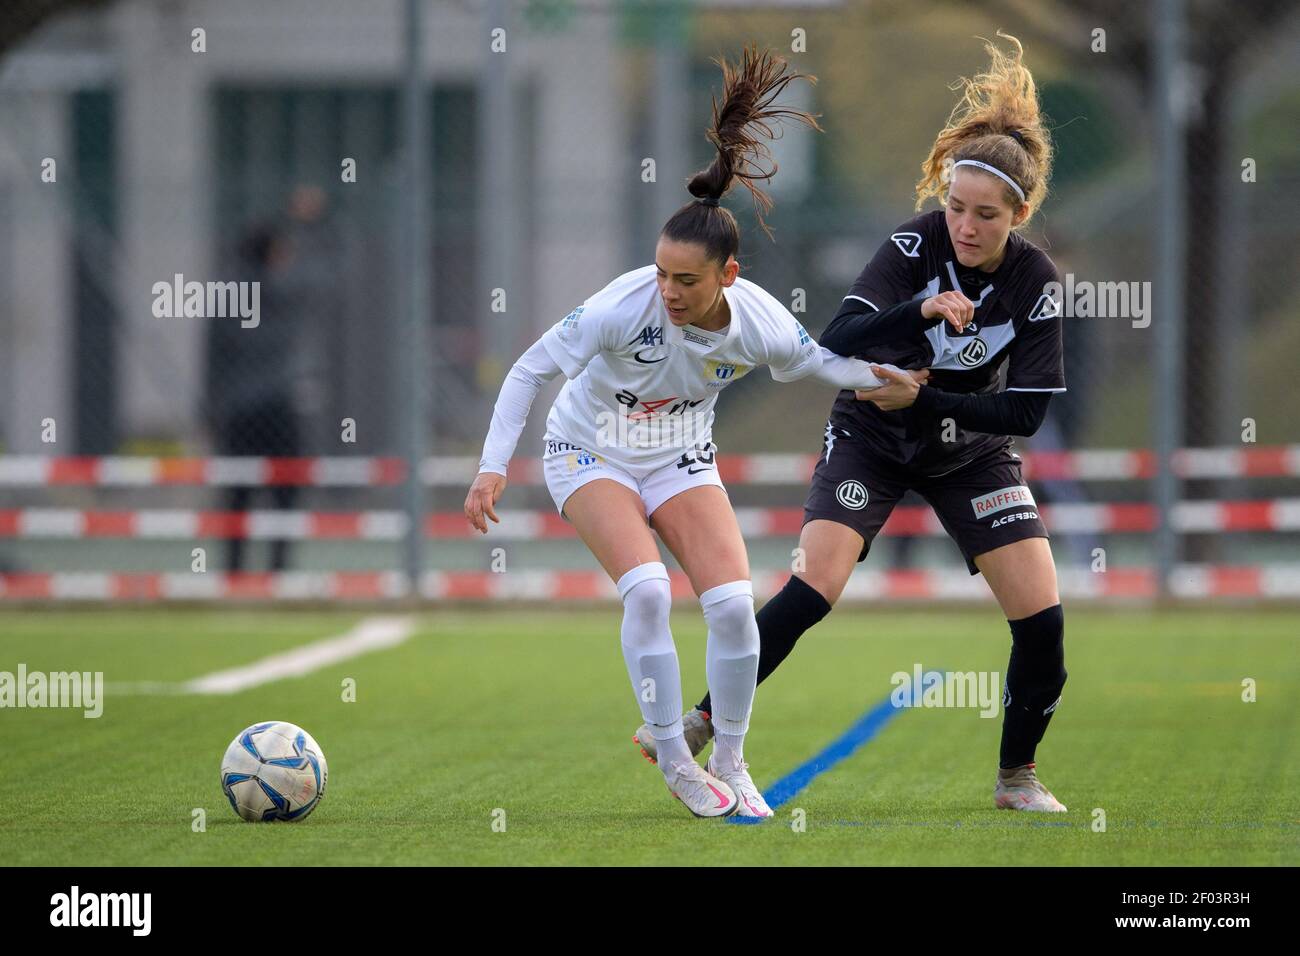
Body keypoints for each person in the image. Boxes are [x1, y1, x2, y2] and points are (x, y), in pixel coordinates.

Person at [464, 47, 925, 819]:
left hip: (679, 457)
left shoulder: (762, 324)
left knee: (734, 607)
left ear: (728, 277)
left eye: (687, 281)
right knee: (647, 591)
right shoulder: (622, 305)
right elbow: (527, 372)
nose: (668, 293)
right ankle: (677, 760)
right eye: (661, 275)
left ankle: (734, 760)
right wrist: (490, 467)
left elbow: (825, 364)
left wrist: (893, 383)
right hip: (590, 451)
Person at [672, 33, 1072, 812]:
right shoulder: (913, 244)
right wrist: (919, 306)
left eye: (984, 215)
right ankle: (702, 720)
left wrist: (927, 401)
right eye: (954, 206)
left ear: (1018, 215)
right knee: (814, 586)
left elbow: (1025, 410)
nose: (963, 224)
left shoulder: (1036, 280)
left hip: (969, 451)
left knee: (1044, 624)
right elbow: (837, 340)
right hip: (871, 436)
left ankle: (1016, 778)